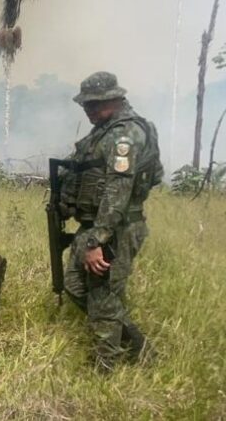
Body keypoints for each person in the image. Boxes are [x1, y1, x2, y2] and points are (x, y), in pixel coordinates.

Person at [62, 72, 163, 372]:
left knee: (103, 297)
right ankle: (140, 349)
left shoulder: (124, 135)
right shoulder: (102, 132)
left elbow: (118, 192)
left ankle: (106, 367)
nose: (88, 110)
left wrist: (97, 240)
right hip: (96, 225)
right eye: (86, 105)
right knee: (74, 285)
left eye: (94, 104)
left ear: (115, 99)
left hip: (115, 228)